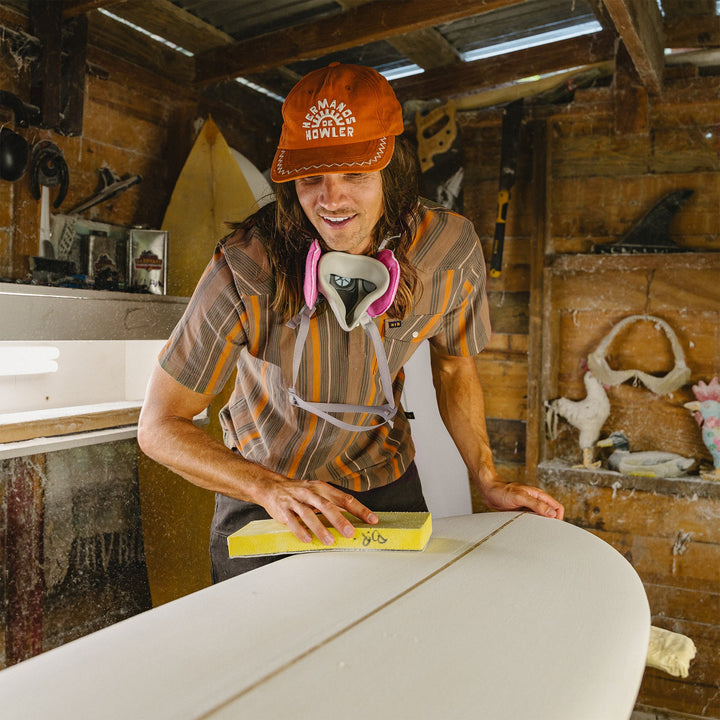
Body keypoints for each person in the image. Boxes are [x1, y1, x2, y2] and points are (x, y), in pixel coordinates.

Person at [137, 62, 564, 582]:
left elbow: (454, 368)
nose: (331, 199)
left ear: (392, 167)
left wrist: (487, 476)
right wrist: (265, 488)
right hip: (267, 495)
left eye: (355, 175)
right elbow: (159, 426)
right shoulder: (246, 265)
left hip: (385, 486)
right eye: (310, 178)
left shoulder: (448, 252)